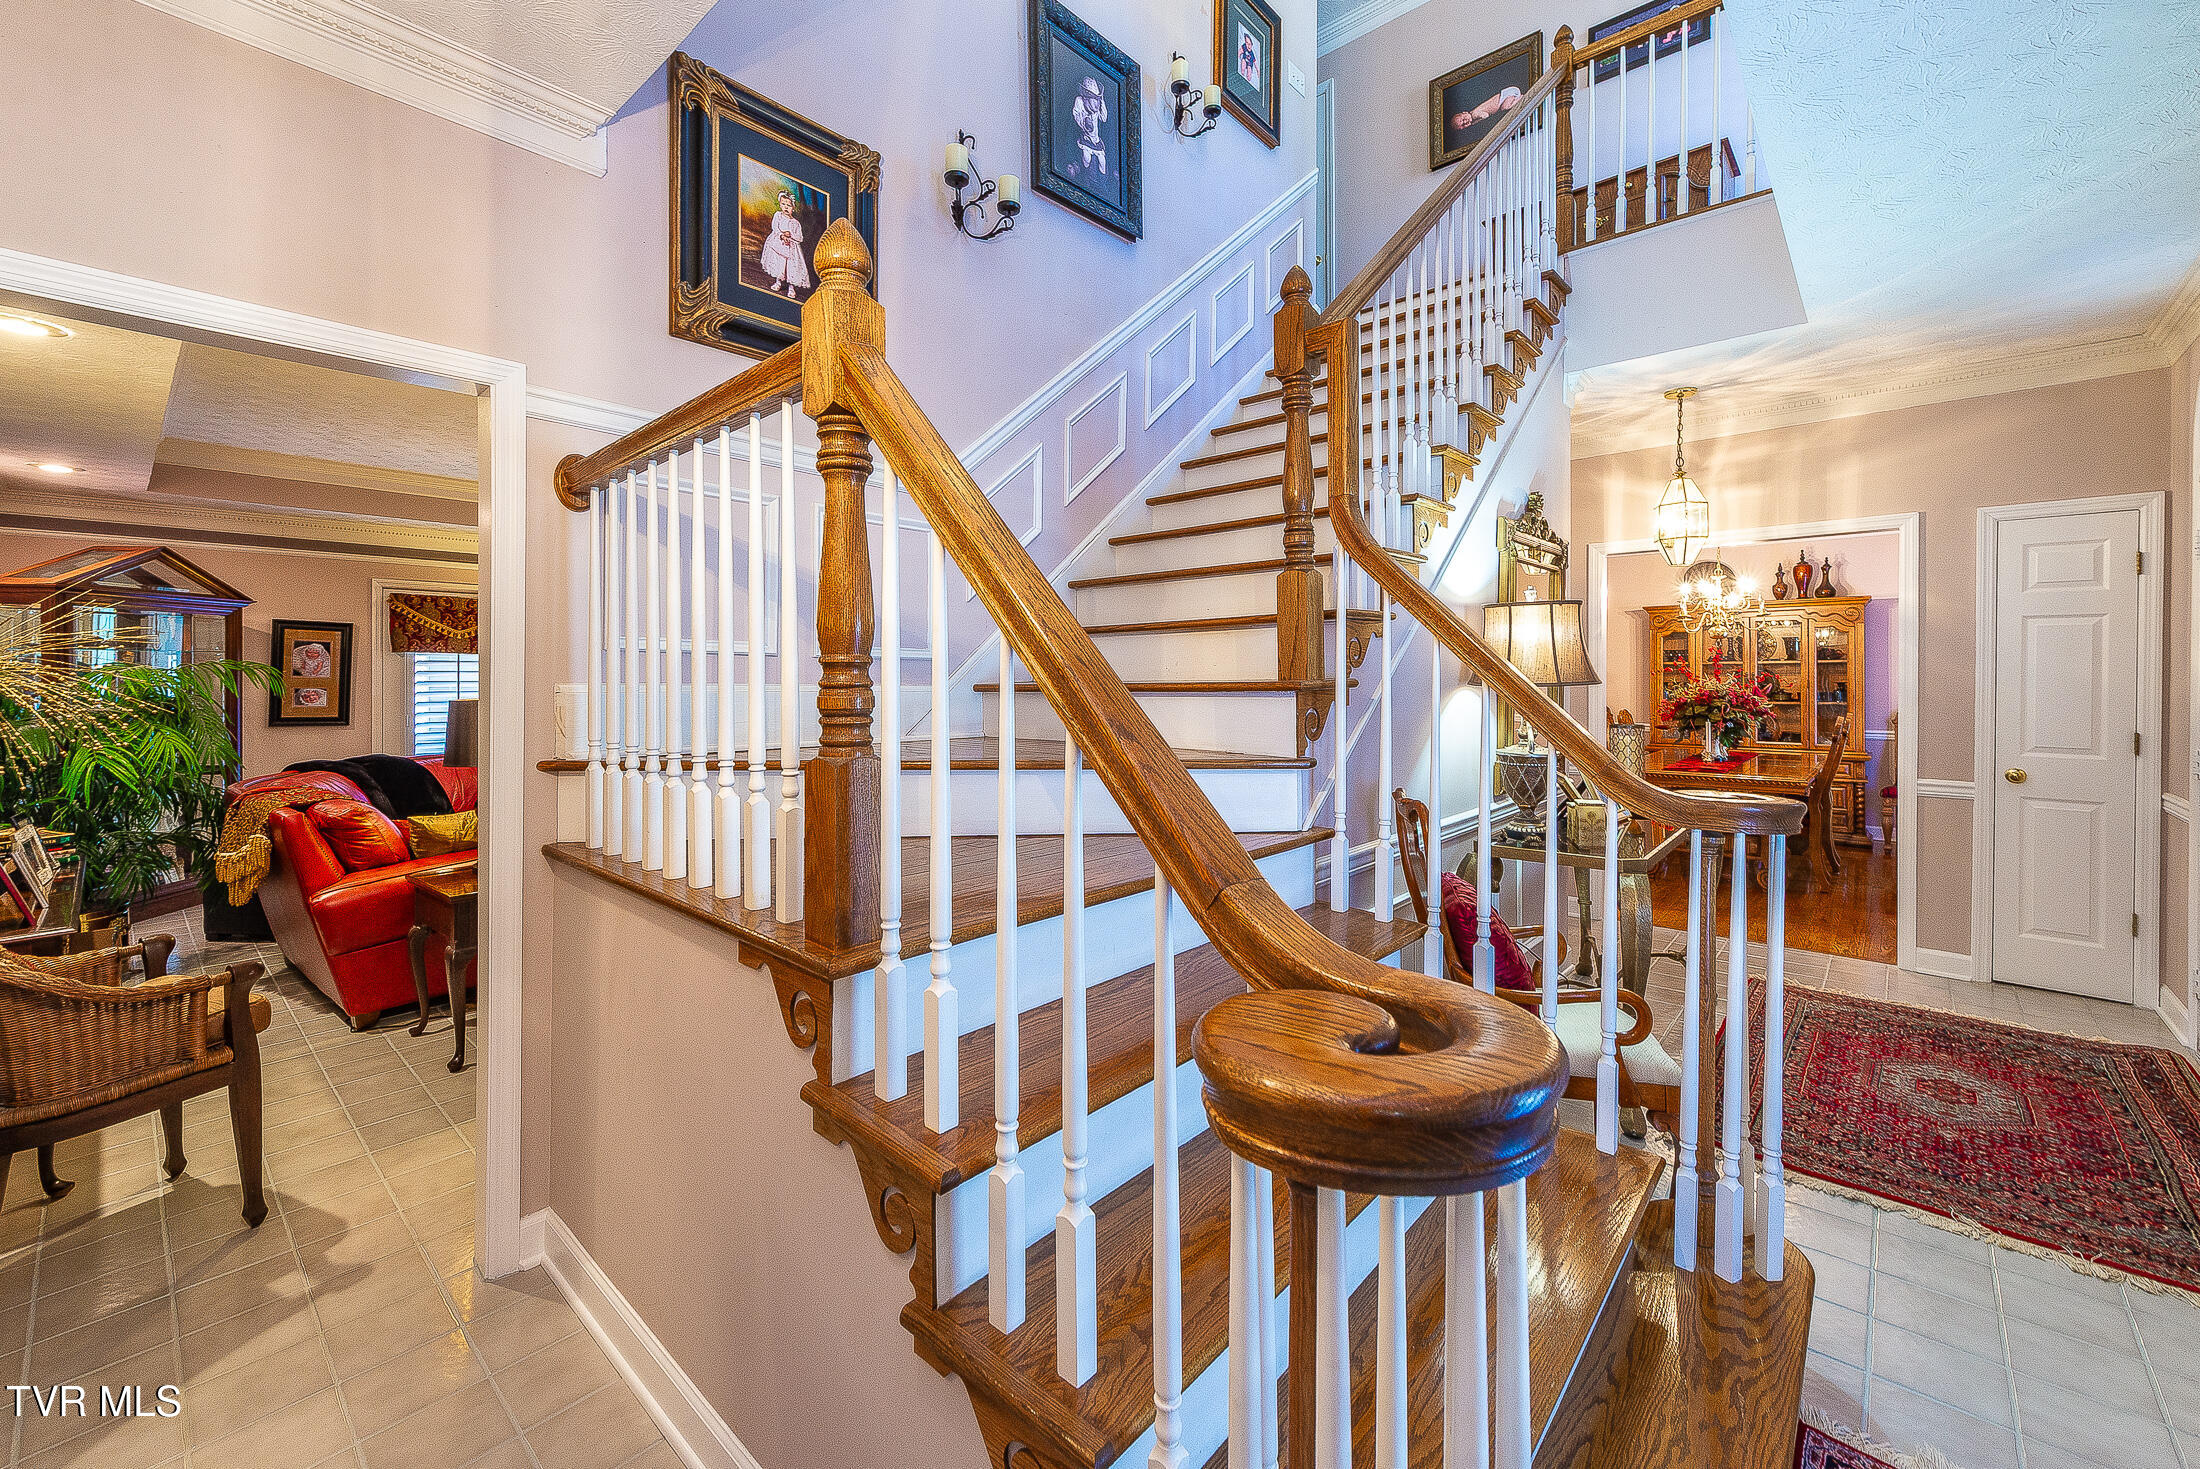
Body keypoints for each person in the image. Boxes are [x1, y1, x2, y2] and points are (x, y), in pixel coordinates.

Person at [757, 189, 810, 299]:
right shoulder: (778, 216)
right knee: (779, 263)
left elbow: (800, 238)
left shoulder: (796, 223)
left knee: (790, 266)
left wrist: (790, 235)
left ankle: (791, 287)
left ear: (793, 207)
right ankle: (778, 282)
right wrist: (782, 235)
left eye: (789, 205)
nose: (786, 207)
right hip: (778, 243)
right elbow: (775, 227)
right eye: (783, 204)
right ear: (780, 204)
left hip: (791, 248)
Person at [1451, 84, 1523, 139]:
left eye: (1463, 119)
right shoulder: (1473, 117)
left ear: (1464, 112)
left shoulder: (1474, 114)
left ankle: (1520, 98)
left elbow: (1485, 115)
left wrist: (1479, 118)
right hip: (1507, 95)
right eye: (1463, 125)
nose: (1465, 121)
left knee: (1504, 107)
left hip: (1509, 93)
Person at [1071, 77, 1108, 178]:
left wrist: (1102, 101)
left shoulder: (1098, 103)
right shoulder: (1079, 100)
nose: (1094, 99)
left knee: (1102, 164)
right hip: (1086, 138)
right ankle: (1086, 180)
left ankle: (1100, 184)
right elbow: (1076, 115)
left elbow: (1103, 118)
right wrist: (1085, 122)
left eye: (1096, 97)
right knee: (1086, 159)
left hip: (1096, 140)